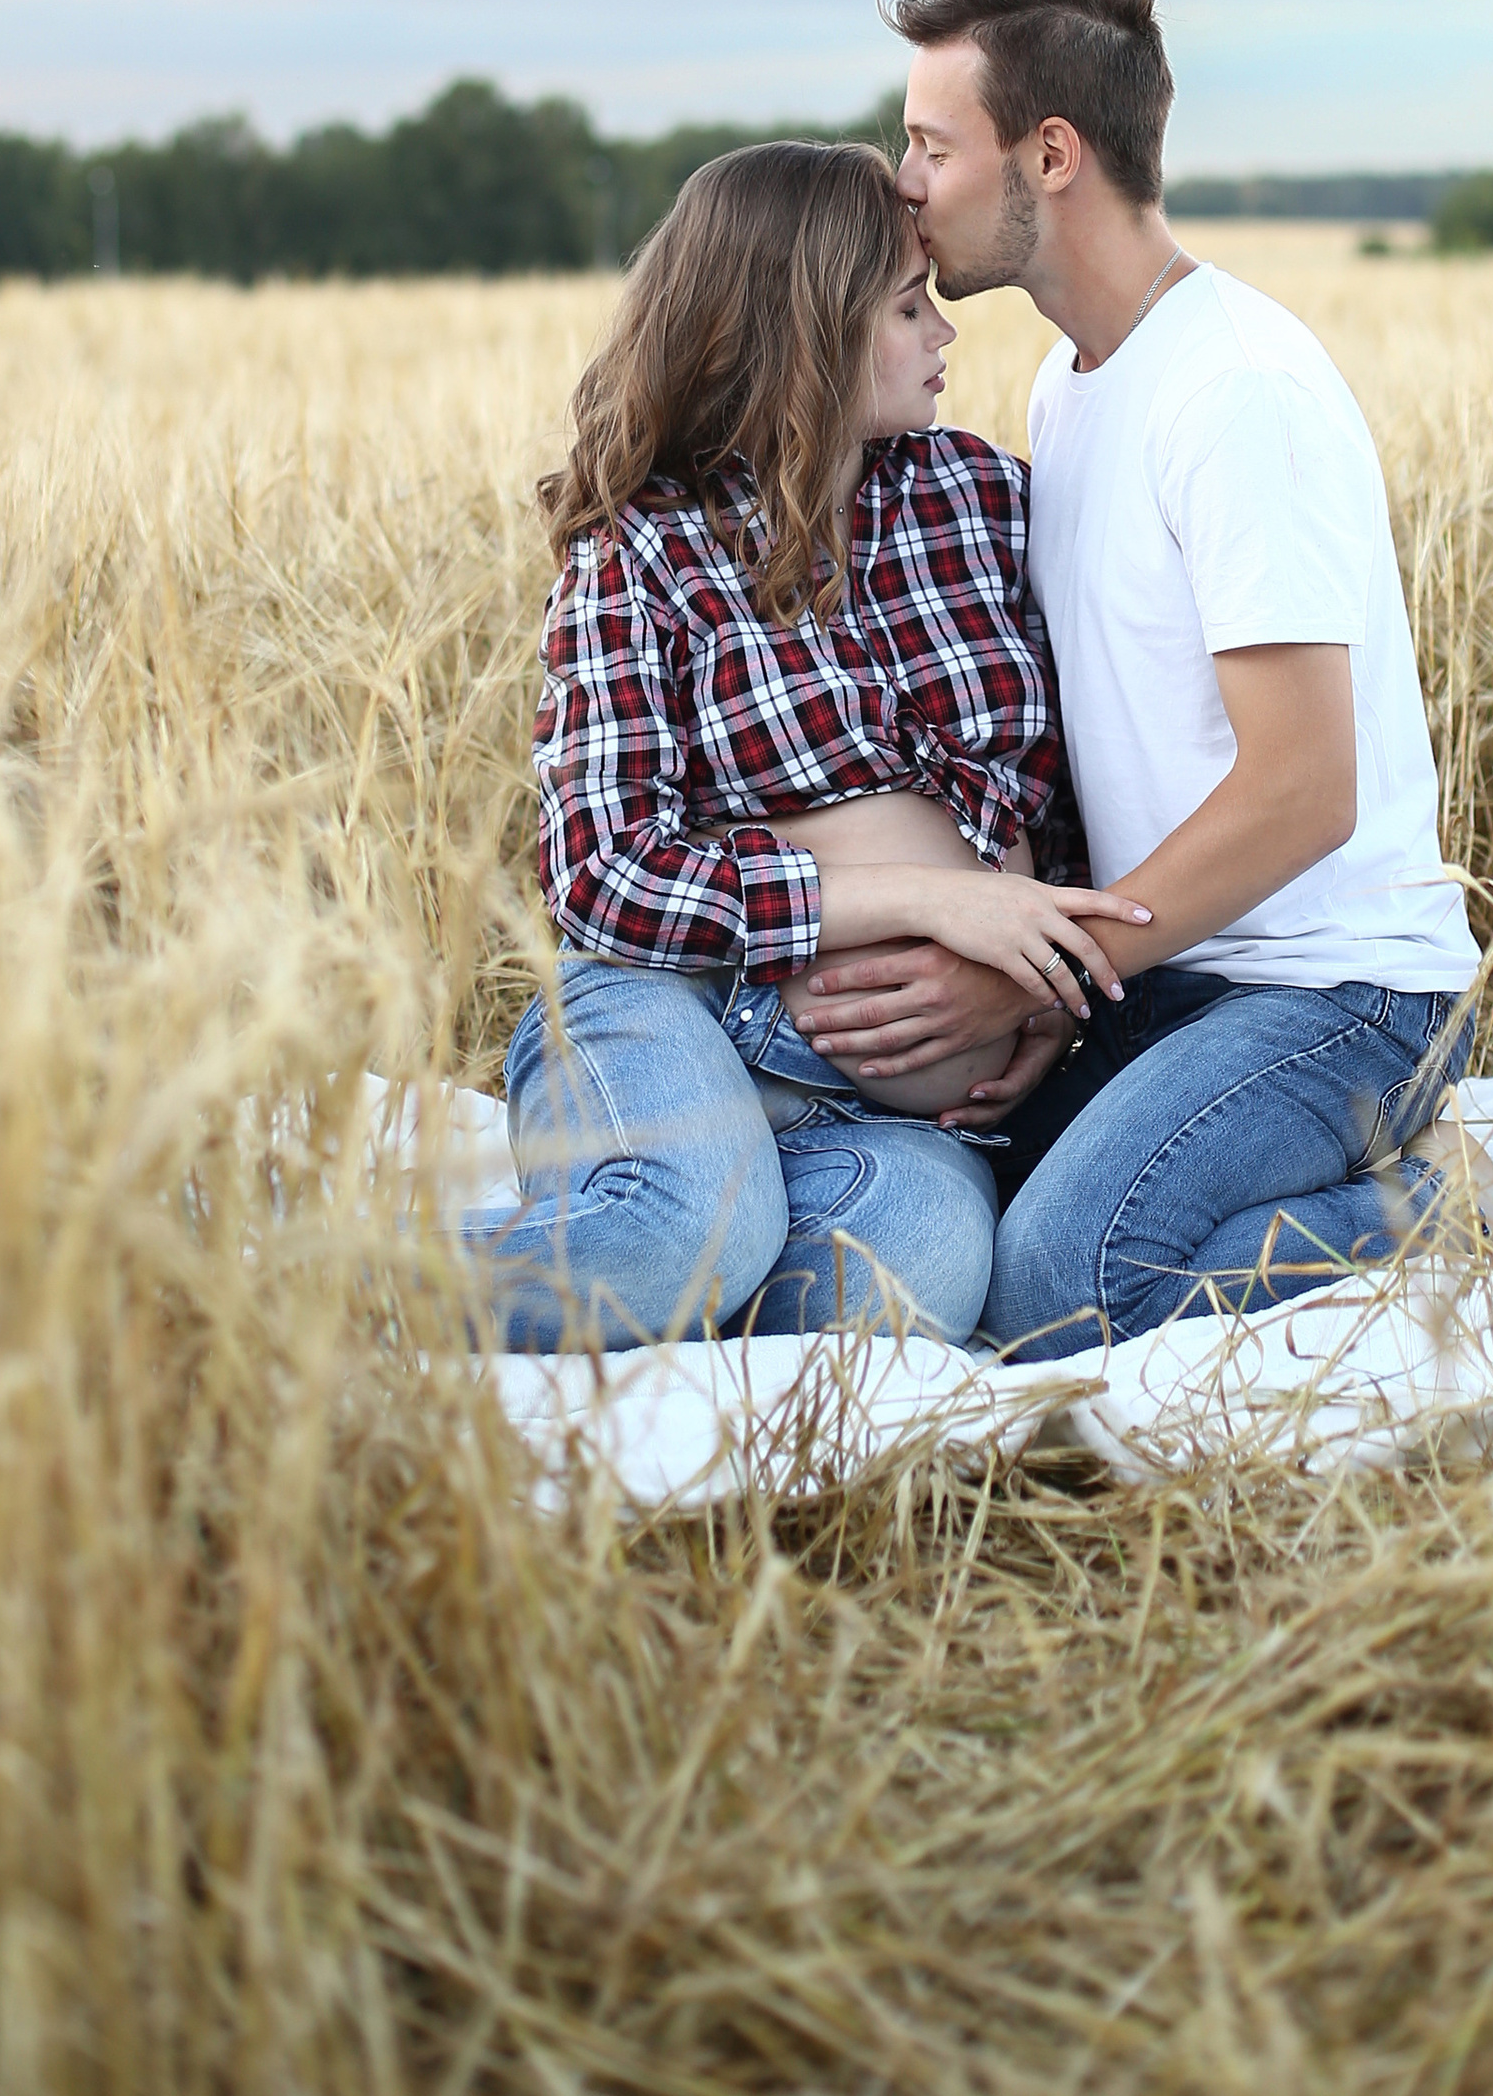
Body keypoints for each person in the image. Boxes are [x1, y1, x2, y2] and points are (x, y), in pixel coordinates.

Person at [795, 0, 1479, 1357]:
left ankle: (1442, 1199)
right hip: (1169, 973)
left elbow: (1305, 792)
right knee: (952, 1231)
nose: (904, 182)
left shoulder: (1234, 391)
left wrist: (1040, 974)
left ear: (1049, 155)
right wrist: (1053, 976)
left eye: (931, 144)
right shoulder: (1071, 383)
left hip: (1339, 989)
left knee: (1064, 1284)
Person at [471, 138, 1148, 1352]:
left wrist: (1045, 981)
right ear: (809, 336)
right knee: (687, 1236)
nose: (944, 332)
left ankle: (660, 1275)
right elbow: (599, 874)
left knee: (917, 1274)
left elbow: (1071, 797)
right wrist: (930, 902)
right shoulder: (644, 549)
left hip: (886, 1111)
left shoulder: (984, 499)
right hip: (678, 1007)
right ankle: (261, 1302)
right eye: (906, 307)